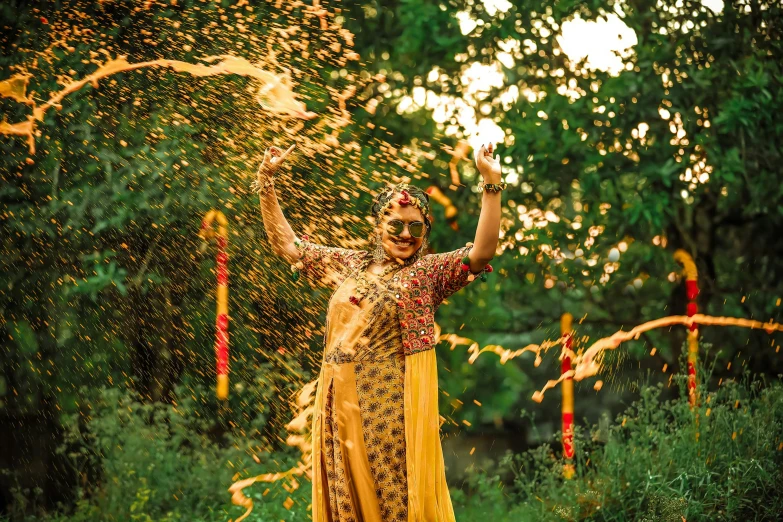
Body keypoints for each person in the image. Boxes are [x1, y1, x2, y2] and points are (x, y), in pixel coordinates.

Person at [254, 142, 504, 522]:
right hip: (337, 405)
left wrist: (491, 183)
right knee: (344, 501)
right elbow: (288, 245)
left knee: (392, 501)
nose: (406, 234)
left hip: (388, 410)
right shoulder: (349, 264)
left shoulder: (427, 273)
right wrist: (266, 182)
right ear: (378, 226)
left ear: (426, 232)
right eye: (396, 225)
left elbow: (482, 252)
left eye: (416, 227)